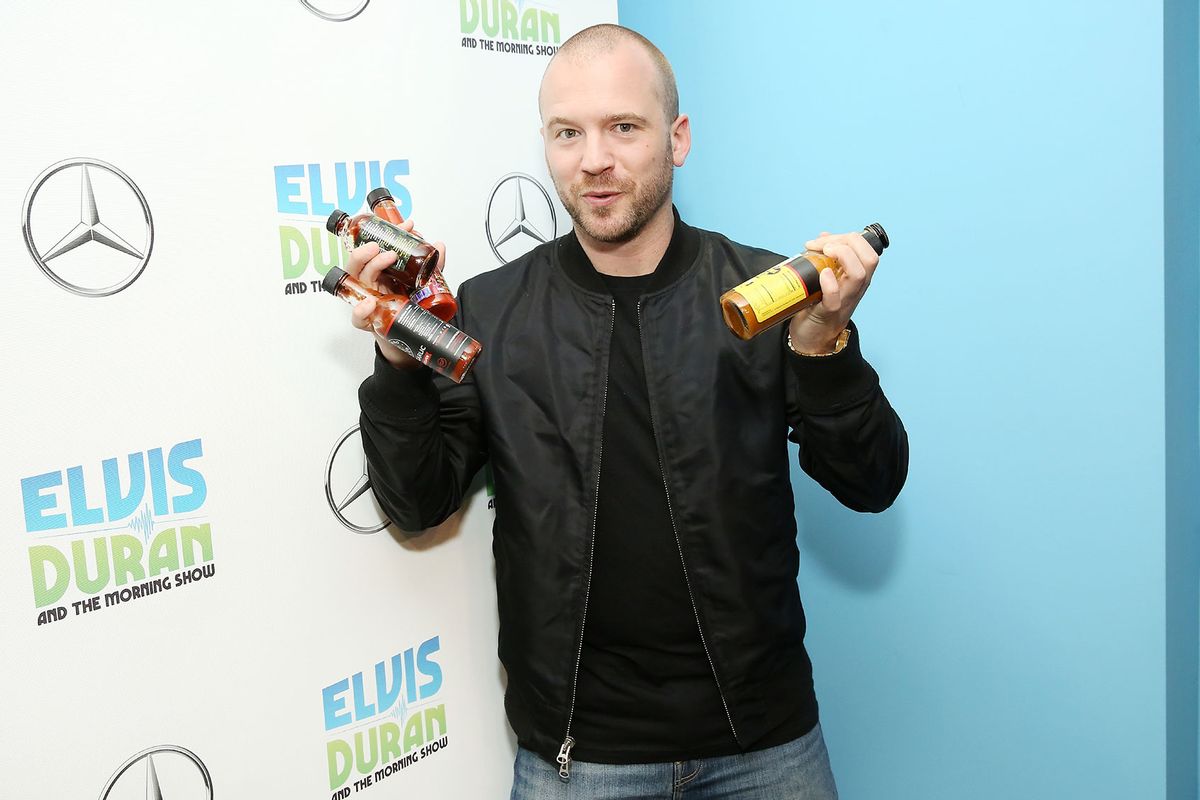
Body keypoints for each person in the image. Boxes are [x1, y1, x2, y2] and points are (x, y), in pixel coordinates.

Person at [344, 23, 908, 800]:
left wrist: (823, 345)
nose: (594, 159)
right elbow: (415, 501)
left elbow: (872, 480)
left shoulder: (765, 293)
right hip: (578, 758)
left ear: (676, 139)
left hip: (766, 746)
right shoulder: (491, 309)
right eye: (568, 132)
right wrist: (400, 355)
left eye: (624, 128)